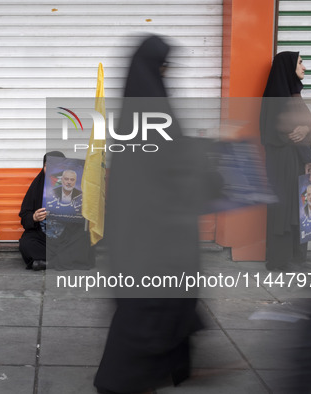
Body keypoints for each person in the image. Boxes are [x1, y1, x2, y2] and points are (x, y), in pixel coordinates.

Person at [94, 35, 220, 393]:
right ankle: (116, 382)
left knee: (172, 301)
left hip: (143, 236)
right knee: (151, 309)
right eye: (164, 67)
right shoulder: (157, 114)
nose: (167, 73)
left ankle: (178, 369)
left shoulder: (134, 117)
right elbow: (175, 168)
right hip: (157, 239)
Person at [260, 51, 311, 271]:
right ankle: (282, 260)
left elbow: (302, 129)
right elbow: (294, 134)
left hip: (286, 160)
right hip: (287, 162)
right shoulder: (283, 98)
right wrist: (309, 159)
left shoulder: (288, 94)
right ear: (288, 67)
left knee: (292, 208)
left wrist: (306, 128)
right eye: (300, 63)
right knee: (289, 209)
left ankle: (288, 257)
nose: (304, 67)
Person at [18, 151, 65, 271]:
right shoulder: (37, 186)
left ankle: (45, 262)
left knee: (84, 239)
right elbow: (24, 216)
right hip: (42, 236)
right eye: (47, 166)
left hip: (65, 237)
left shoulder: (74, 186)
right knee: (26, 243)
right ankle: (62, 261)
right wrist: (34, 217)